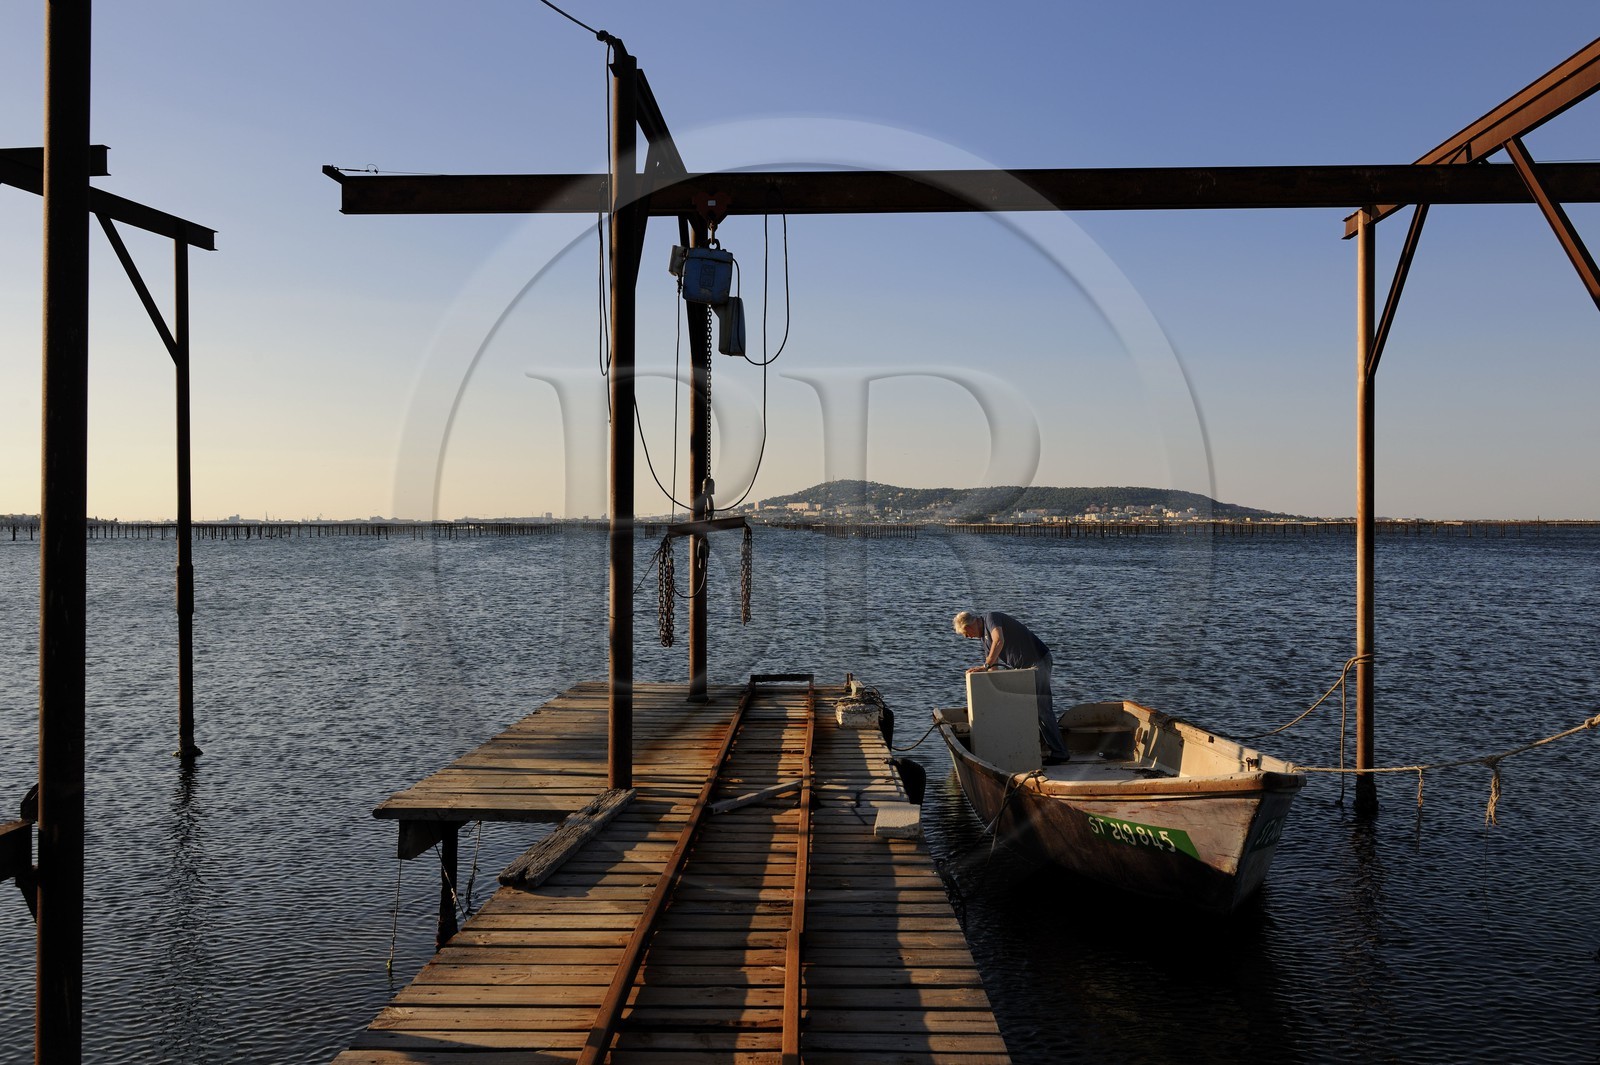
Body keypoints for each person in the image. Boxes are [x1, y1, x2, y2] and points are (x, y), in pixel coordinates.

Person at [953, 609, 1071, 764]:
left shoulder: (991, 618)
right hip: (1024, 669)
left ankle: (1060, 753)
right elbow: (993, 669)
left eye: (965, 634)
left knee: (1042, 708)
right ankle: (1045, 749)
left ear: (968, 626)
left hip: (1038, 661)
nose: (968, 637)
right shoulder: (985, 640)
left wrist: (986, 664)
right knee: (1029, 709)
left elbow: (999, 640)